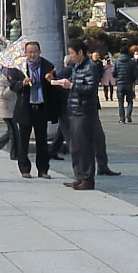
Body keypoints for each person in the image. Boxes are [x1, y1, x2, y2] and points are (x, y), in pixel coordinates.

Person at [52, 39, 100, 191]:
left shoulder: (90, 67)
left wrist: (72, 85)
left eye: (72, 53)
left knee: (85, 146)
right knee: (76, 147)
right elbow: (73, 84)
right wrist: (57, 82)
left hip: (85, 111)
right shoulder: (76, 67)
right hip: (74, 110)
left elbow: (90, 88)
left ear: (80, 52)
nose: (70, 56)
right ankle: (78, 176)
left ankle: (87, 178)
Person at [6, 41, 57, 178]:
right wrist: (22, 83)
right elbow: (13, 86)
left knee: (42, 140)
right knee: (23, 140)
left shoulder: (48, 66)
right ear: (25, 53)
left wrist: (51, 80)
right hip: (25, 107)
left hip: (41, 107)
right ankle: (24, 168)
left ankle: (43, 169)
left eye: (35, 51)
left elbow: (54, 87)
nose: (32, 55)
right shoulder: (19, 67)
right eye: (29, 52)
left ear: (39, 52)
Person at [0, 66, 22, 161]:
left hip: (12, 109)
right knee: (13, 132)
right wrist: (11, 87)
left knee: (13, 132)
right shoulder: (1, 82)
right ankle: (13, 154)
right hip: (5, 109)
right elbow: (1, 94)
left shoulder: (10, 82)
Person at [113, 47, 137, 124]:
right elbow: (135, 73)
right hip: (129, 83)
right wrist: (132, 80)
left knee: (120, 102)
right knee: (130, 100)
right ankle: (129, 113)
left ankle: (122, 119)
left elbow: (113, 73)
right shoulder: (132, 62)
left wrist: (117, 77)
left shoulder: (116, 61)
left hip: (120, 83)